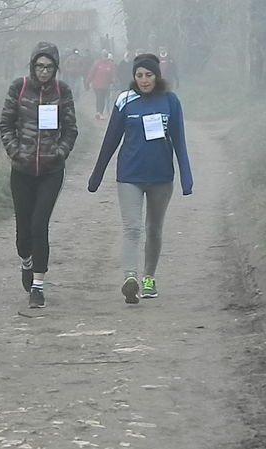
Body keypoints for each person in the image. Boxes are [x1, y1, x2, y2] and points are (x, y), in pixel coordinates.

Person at [88, 53, 193, 304]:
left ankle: (148, 278)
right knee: (132, 228)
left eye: (149, 75)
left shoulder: (170, 101)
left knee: (154, 229)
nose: (144, 80)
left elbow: (179, 139)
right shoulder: (125, 100)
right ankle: (130, 278)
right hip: (129, 175)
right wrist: (97, 174)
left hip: (161, 176)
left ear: (157, 76)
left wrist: (186, 177)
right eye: (139, 76)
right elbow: (111, 140)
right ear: (133, 77)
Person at [0, 41, 78, 309]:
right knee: (23, 233)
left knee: (38, 225)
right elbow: (6, 124)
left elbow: (70, 129)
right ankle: (26, 261)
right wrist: (15, 151)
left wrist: (60, 152)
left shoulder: (62, 91)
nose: (44, 71)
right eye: (40, 66)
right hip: (22, 170)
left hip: (50, 171)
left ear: (56, 68)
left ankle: (38, 286)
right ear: (33, 66)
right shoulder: (18, 88)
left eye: (49, 67)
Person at [85, 50, 116, 120]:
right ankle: (99, 112)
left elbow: (113, 74)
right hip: (97, 85)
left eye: (106, 56)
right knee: (99, 98)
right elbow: (91, 73)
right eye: (103, 56)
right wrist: (87, 82)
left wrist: (114, 82)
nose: (104, 58)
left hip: (106, 85)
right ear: (101, 56)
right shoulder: (97, 63)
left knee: (103, 99)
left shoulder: (110, 64)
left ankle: (100, 112)